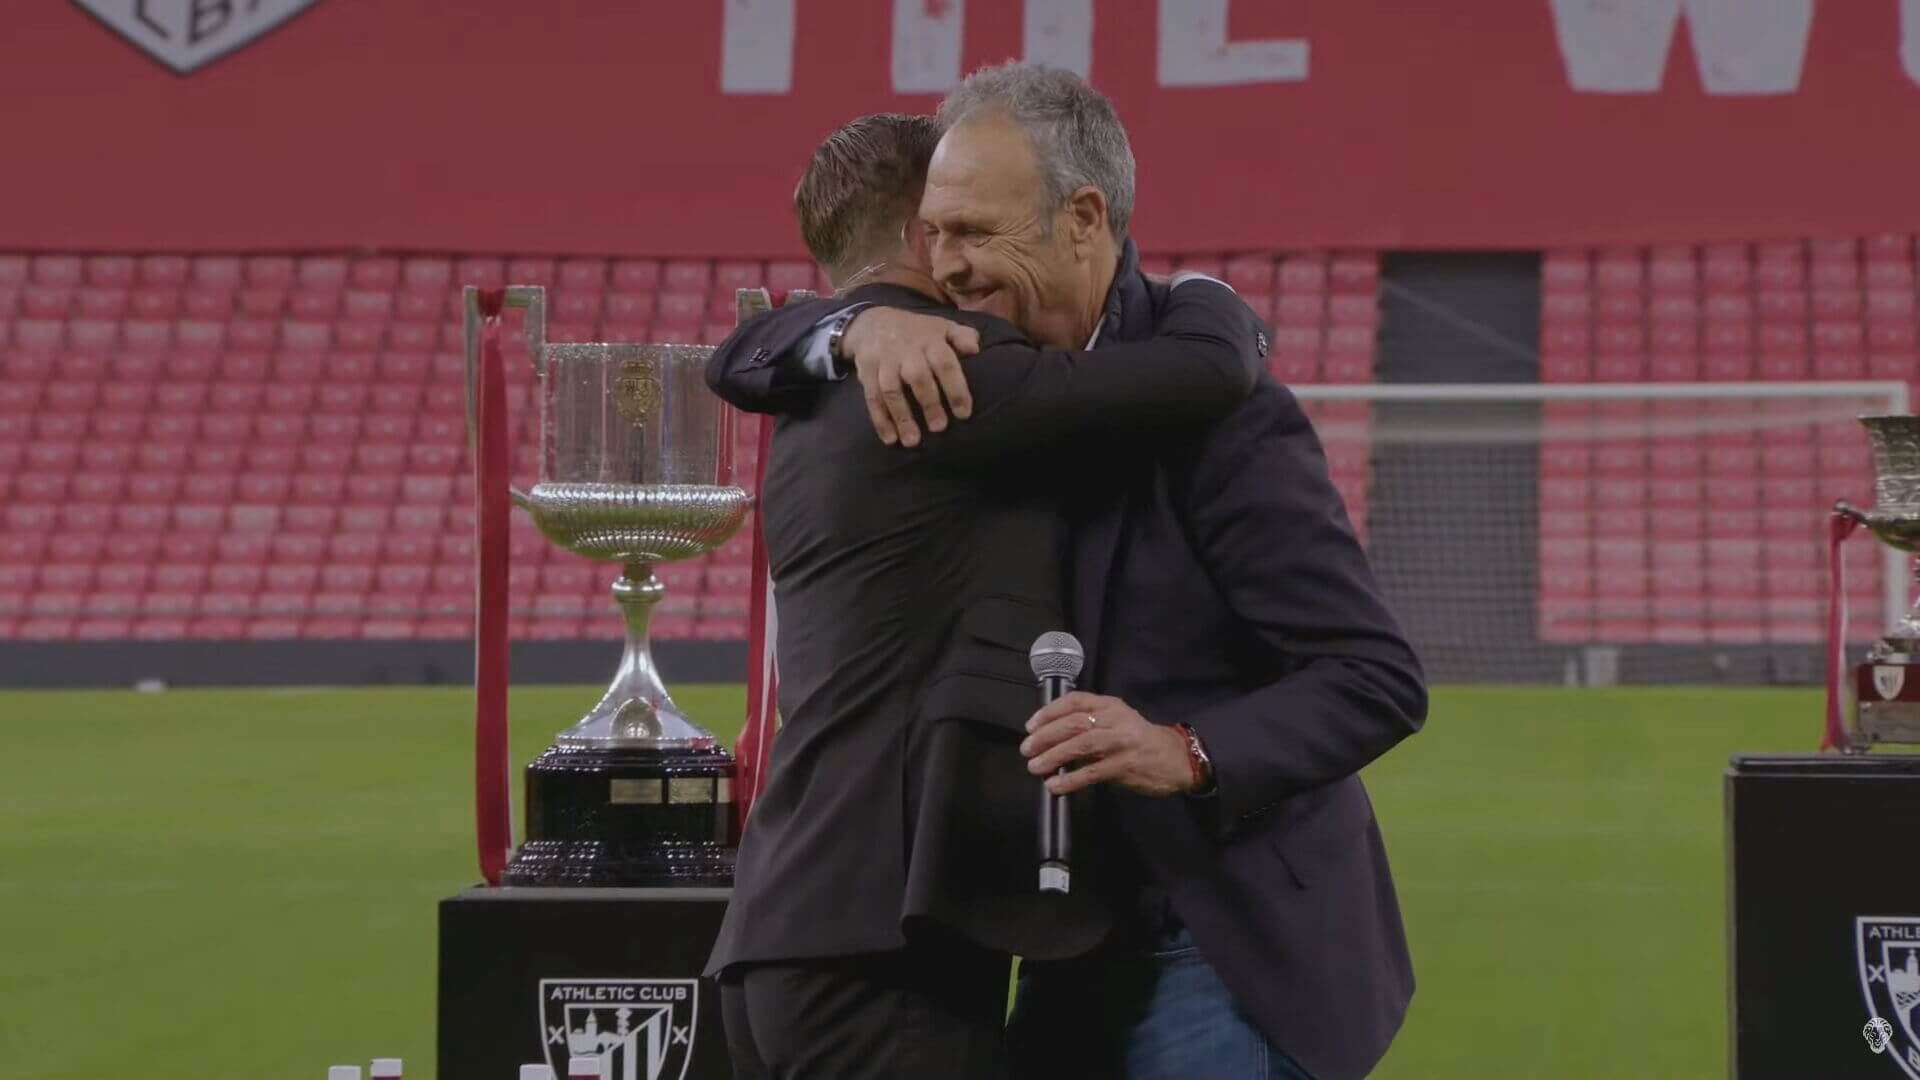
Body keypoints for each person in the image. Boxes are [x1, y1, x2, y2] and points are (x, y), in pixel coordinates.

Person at [710, 65, 1428, 1080]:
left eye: (973, 234)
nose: (945, 267)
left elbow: (1375, 677)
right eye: (933, 234)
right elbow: (745, 351)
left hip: (1218, 943)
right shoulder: (962, 379)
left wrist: (1187, 749)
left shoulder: (1219, 412)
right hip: (1066, 940)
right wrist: (855, 321)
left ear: (1084, 218)